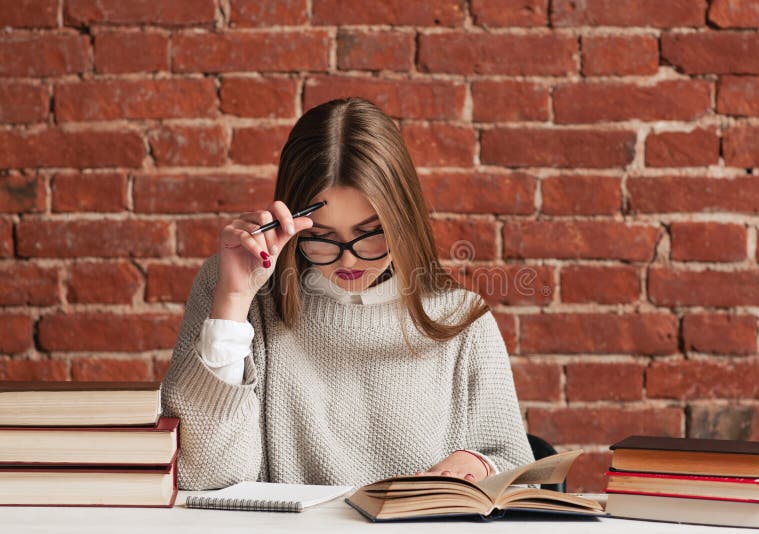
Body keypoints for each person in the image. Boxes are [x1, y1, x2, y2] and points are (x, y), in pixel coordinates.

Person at [161, 96, 535, 490]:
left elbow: (522, 475)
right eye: (321, 237)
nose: (348, 259)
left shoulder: (462, 320)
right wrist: (233, 302)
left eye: (370, 233)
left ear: (403, 218)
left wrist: (478, 464)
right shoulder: (235, 290)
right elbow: (201, 476)